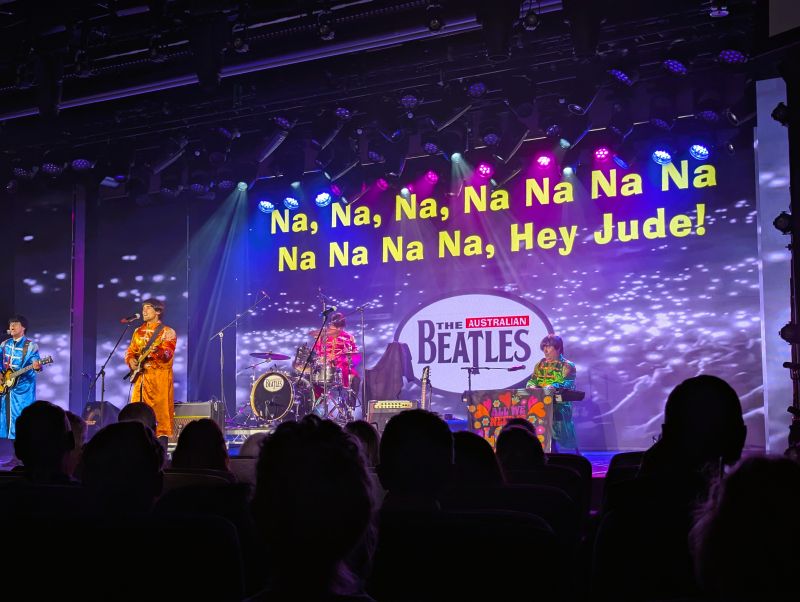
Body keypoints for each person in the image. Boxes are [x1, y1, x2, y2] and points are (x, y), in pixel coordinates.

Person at [124, 299, 176, 448]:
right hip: (140, 381)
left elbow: (167, 354)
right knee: (136, 417)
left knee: (159, 421)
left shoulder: (168, 332)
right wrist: (131, 360)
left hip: (159, 382)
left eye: (148, 308)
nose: (144, 311)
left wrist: (157, 351)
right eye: (143, 308)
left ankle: (160, 458)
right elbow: (130, 351)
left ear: (158, 311)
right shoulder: (137, 331)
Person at [526, 333, 577, 452]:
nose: (545, 351)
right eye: (544, 348)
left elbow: (567, 383)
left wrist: (552, 386)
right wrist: (531, 385)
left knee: (554, 417)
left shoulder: (567, 365)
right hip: (541, 402)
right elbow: (532, 380)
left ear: (558, 348)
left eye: (548, 347)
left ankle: (559, 450)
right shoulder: (540, 364)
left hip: (560, 403)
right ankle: (544, 449)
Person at [0, 315, 43, 439]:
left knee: (22, 418)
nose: (12, 326)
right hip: (6, 387)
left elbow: (37, 363)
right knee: (4, 417)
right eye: (10, 324)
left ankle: (21, 451)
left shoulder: (30, 346)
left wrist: (37, 366)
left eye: (15, 323)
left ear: (23, 327)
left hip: (23, 389)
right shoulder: (4, 344)